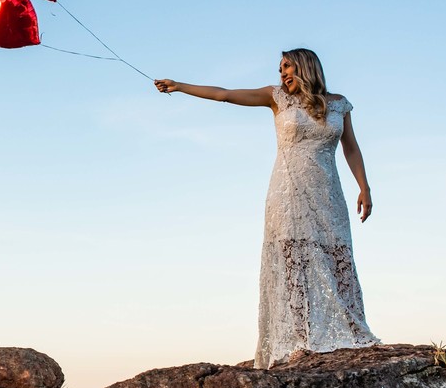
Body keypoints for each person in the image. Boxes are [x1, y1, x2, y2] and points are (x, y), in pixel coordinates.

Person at [154, 48, 379, 368]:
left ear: (305, 67)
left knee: (335, 257)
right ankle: (302, 337)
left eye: (287, 67)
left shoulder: (338, 103)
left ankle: (347, 328)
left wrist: (365, 187)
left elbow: (351, 147)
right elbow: (225, 94)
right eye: (280, 69)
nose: (282, 73)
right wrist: (179, 85)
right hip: (287, 192)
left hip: (328, 192)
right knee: (294, 261)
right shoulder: (276, 98)